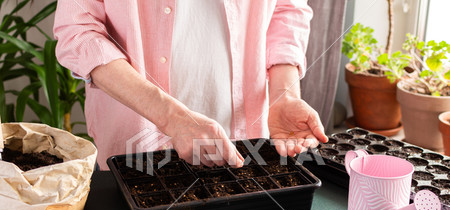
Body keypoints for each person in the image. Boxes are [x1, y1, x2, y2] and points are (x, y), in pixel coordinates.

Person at [53, 0, 328, 170]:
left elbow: (286, 9)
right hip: (139, 144)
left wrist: (284, 96)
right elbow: (78, 29)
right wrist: (172, 118)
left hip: (246, 137)